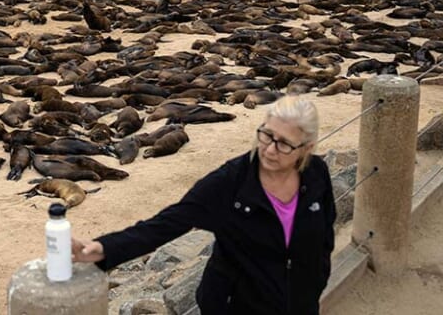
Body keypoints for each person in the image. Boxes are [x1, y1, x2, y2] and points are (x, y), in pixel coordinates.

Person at [73, 95, 335, 315]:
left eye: (284, 144)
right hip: (236, 306)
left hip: (300, 304)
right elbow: (166, 224)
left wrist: (317, 277)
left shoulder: (316, 173)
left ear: (306, 148)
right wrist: (104, 249)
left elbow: (325, 231)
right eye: (266, 135)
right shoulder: (230, 182)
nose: (269, 150)